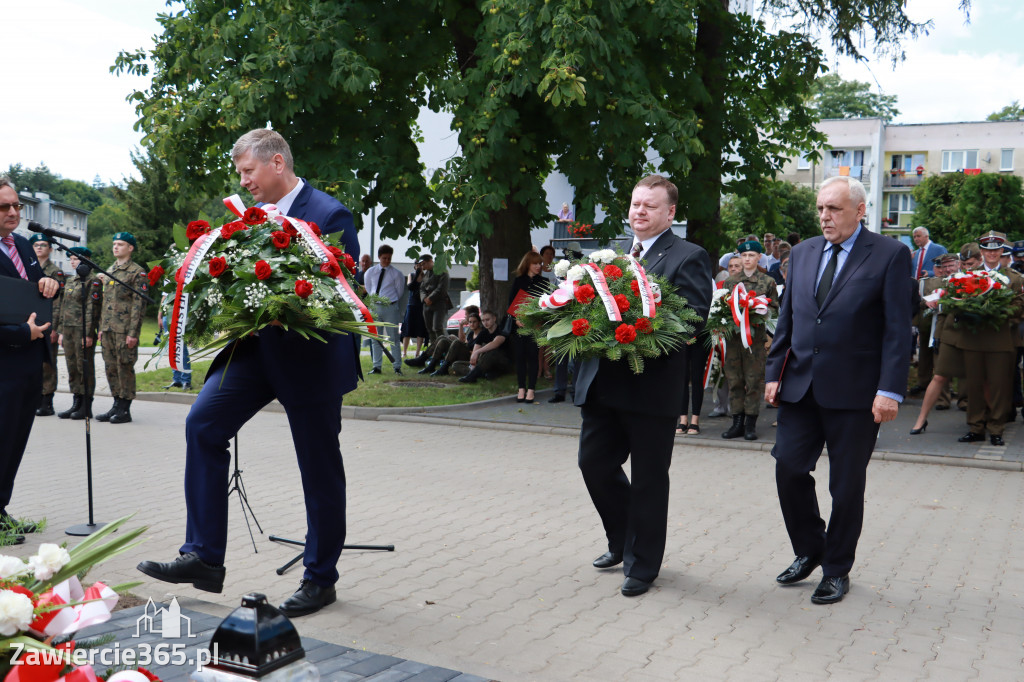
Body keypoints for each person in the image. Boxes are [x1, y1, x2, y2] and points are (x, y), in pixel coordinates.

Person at [137, 128, 361, 618]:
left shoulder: (329, 213)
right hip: (253, 352)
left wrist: (292, 303)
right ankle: (204, 557)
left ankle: (321, 578)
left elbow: (346, 287)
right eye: (240, 174)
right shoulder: (246, 219)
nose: (244, 183)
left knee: (318, 468)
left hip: (311, 358)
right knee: (203, 423)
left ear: (277, 162)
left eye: (248, 172)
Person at [765, 175, 911, 606]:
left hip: (857, 394)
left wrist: (890, 390)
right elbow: (788, 318)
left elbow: (898, 331)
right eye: (821, 209)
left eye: (834, 209)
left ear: (860, 211)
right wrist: (774, 371)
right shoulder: (805, 252)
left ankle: (836, 569)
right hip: (801, 386)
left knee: (845, 487)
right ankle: (812, 547)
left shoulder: (889, 255)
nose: (825, 217)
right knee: (789, 470)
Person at [575, 174, 712, 597]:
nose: (639, 212)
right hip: (604, 383)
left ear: (670, 213)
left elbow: (692, 318)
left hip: (651, 389)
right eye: (636, 204)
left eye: (649, 206)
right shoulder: (612, 257)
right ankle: (622, 540)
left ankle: (642, 565)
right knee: (593, 464)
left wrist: (641, 323)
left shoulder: (688, 256)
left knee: (650, 479)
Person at [0, 176, 60, 543]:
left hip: (27, 363)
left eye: (17, 205)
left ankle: (1, 510)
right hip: (3, 363)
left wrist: (51, 285)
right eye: (4, 207)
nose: (13, 212)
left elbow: (38, 291)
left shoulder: (22, 246)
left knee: (14, 441)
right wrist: (22, 334)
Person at [953, 231, 1024, 445]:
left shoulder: (1014, 278)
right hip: (974, 339)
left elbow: (1020, 306)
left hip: (1001, 339)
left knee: (999, 386)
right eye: (987, 250)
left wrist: (998, 312)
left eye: (996, 250)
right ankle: (976, 427)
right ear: (982, 252)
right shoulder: (969, 276)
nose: (992, 253)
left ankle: (996, 429)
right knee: (973, 385)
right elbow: (958, 298)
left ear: (1002, 251)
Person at [720, 240, 779, 440]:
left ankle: (750, 425)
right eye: (744, 256)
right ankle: (737, 422)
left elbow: (774, 309)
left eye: (751, 255)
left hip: (755, 341)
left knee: (753, 381)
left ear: (759, 257)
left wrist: (756, 310)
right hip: (734, 340)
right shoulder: (730, 282)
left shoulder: (767, 282)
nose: (747, 259)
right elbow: (722, 308)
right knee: (735, 380)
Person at [95, 232, 149, 425]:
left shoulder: (137, 272)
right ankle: (116, 405)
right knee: (110, 367)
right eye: (114, 244)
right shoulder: (110, 270)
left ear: (130, 248)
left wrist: (133, 333)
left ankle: (125, 409)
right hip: (109, 329)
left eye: (120, 244)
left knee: (124, 366)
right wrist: (101, 328)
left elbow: (138, 305)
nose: (115, 247)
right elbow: (105, 302)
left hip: (125, 330)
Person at [57, 247, 102, 420]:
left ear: (86, 260)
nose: (72, 261)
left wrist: (89, 333)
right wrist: (61, 330)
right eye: (71, 259)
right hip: (68, 330)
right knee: (72, 367)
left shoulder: (93, 281)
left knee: (85, 368)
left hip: (82, 330)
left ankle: (86, 404)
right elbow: (64, 307)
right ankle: (76, 402)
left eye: (76, 259)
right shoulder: (71, 281)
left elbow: (92, 308)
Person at [28, 234, 64, 416]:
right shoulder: (28, 268)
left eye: (43, 245)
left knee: (48, 364)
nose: (39, 248)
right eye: (36, 245)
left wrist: (55, 328)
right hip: (30, 323)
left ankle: (47, 401)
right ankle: (35, 398)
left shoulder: (55, 272)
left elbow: (58, 304)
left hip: (48, 324)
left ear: (50, 249)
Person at [508, 251, 549, 403]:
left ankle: (531, 389)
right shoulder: (518, 281)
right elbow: (511, 303)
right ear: (528, 264)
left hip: (535, 326)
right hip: (519, 326)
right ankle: (521, 388)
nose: (538, 266)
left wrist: (539, 320)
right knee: (520, 357)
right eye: (535, 263)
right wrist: (516, 318)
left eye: (540, 263)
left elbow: (547, 305)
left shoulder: (544, 282)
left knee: (533, 357)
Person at [364, 244, 406, 375]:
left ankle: (397, 366)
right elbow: (369, 287)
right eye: (384, 258)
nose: (387, 261)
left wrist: (389, 301)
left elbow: (399, 292)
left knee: (393, 337)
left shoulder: (396, 274)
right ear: (379, 257)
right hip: (375, 307)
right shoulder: (370, 272)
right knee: (375, 338)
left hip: (390, 307)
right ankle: (377, 366)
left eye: (389, 258)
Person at [454, 309, 514, 382]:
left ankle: (472, 376)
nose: (485, 323)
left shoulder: (501, 329)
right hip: (486, 362)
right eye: (483, 320)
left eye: (487, 320)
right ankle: (482, 374)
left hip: (503, 361)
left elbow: (495, 343)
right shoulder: (483, 333)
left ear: (494, 318)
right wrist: (473, 360)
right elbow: (476, 348)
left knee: (492, 352)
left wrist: (477, 352)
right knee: (456, 364)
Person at [420, 254, 451, 343]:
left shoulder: (442, 271)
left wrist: (431, 298)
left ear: (430, 261)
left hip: (439, 302)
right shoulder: (426, 274)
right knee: (430, 329)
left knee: (437, 327)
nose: (423, 266)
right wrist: (425, 298)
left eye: (424, 263)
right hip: (427, 304)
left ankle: (443, 348)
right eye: (421, 264)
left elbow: (442, 288)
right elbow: (422, 288)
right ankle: (434, 349)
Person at [401, 257, 428, 358]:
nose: (419, 267)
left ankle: (417, 353)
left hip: (421, 305)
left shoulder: (426, 277)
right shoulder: (411, 275)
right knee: (407, 329)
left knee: (420, 329)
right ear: (414, 266)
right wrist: (417, 274)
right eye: (417, 265)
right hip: (411, 305)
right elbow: (410, 287)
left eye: (421, 265)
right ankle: (404, 352)